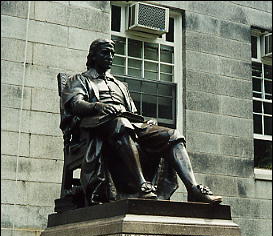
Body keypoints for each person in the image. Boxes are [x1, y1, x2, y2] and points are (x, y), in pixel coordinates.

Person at [61, 38, 222, 206]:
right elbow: (74, 104)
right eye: (105, 52)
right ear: (93, 56)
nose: (110, 56)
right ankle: (142, 186)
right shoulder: (79, 80)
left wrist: (147, 123)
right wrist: (97, 107)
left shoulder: (120, 85)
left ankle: (193, 189)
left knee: (173, 135)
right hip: (98, 127)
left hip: (129, 124)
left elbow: (132, 113)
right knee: (121, 124)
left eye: (112, 53)